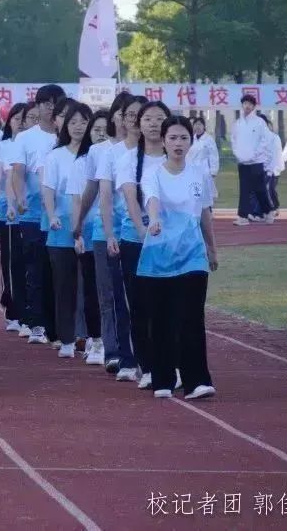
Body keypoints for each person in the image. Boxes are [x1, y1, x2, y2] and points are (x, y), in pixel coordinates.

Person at [141, 115, 218, 400]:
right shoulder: (152, 174)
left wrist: (212, 249)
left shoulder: (199, 174)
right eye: (172, 138)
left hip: (193, 255)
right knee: (162, 318)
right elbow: (152, 200)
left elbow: (205, 213)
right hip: (159, 255)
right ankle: (163, 378)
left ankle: (197, 380)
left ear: (191, 141)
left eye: (184, 138)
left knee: (191, 316)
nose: (178, 143)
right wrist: (154, 219)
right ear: (163, 141)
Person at [116, 100, 171, 390]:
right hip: (136, 241)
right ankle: (147, 366)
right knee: (140, 306)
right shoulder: (128, 159)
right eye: (147, 118)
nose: (153, 124)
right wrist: (143, 231)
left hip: (171, 243)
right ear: (138, 123)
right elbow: (130, 199)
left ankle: (170, 363)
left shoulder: (174, 158)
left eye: (159, 118)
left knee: (167, 306)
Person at [10, 85, 66, 345]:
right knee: (35, 268)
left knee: (60, 271)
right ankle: (36, 323)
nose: (50, 108)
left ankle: (61, 327)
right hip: (33, 214)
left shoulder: (67, 137)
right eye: (46, 103)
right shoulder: (26, 138)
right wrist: (20, 197)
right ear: (38, 105)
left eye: (55, 103)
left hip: (64, 214)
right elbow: (18, 171)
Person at [42, 102, 95, 360]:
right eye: (73, 122)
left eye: (84, 122)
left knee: (90, 287)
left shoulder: (96, 155)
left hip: (92, 229)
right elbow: (48, 189)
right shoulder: (55, 156)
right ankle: (66, 338)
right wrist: (52, 214)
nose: (78, 127)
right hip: (61, 228)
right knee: (65, 286)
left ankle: (89, 336)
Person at [98, 95, 145, 382]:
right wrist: (109, 233)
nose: (137, 121)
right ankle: (127, 358)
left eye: (143, 115)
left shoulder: (159, 152)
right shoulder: (112, 154)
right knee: (124, 299)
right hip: (123, 235)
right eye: (131, 116)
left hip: (156, 238)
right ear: (123, 120)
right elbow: (105, 197)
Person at [70, 107, 116, 368]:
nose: (100, 134)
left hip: (118, 229)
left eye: (104, 129)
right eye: (96, 129)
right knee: (93, 289)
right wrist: (77, 229)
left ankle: (116, 342)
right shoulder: (85, 160)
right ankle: (96, 340)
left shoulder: (125, 153)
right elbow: (80, 197)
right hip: (91, 229)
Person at [0, 103, 29, 337]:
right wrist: (8, 202)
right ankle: (13, 311)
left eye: (25, 119)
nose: (21, 123)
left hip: (32, 213)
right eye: (17, 119)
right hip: (9, 213)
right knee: (11, 262)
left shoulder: (33, 144)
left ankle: (30, 311)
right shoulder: (3, 146)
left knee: (29, 264)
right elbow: (1, 171)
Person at [231, 95, 272, 225]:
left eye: (250, 104)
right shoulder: (238, 123)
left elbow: (265, 140)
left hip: (256, 161)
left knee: (259, 189)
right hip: (243, 162)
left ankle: (268, 211)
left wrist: (255, 154)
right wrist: (238, 154)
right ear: (242, 105)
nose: (247, 106)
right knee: (244, 189)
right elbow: (233, 140)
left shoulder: (259, 122)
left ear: (254, 107)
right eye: (245, 103)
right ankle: (243, 217)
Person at [186, 116, 220, 198]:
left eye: (200, 124)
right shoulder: (191, 139)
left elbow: (214, 156)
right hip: (192, 170)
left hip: (204, 171)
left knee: (205, 195)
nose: (197, 127)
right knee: (193, 193)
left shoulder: (209, 139)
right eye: (195, 124)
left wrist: (213, 171)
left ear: (204, 126)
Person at [259, 114, 284, 219]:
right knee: (262, 190)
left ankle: (273, 208)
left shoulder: (274, 137)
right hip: (260, 168)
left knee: (269, 189)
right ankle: (263, 210)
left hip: (272, 169)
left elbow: (276, 154)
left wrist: (271, 170)